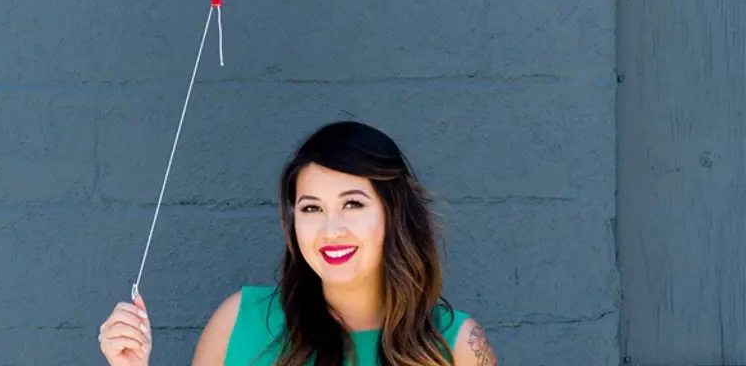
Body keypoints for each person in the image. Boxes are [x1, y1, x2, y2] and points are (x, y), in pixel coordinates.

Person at [98, 121, 498, 365]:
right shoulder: (241, 321)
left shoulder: (456, 344)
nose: (330, 229)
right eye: (311, 208)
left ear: (393, 214)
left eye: (353, 204)